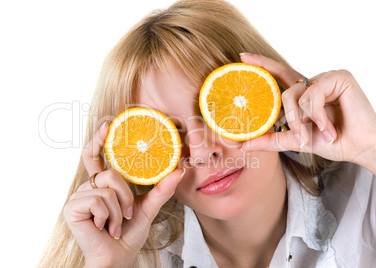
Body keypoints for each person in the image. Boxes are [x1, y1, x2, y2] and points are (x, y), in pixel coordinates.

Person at [38, 0, 376, 267]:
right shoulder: (131, 256)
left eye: (221, 111)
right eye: (168, 133)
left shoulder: (366, 195)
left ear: (271, 96)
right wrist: (107, 264)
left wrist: (370, 148)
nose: (203, 152)